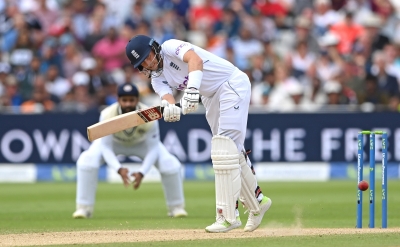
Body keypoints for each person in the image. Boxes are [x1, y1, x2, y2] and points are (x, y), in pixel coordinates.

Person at [125, 35, 272, 233]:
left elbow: (196, 60)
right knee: (230, 150)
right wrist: (170, 108)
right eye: (143, 63)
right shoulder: (157, 80)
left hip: (231, 83)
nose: (149, 63)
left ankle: (227, 216)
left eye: (148, 56)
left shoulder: (170, 47)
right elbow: (167, 98)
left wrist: (191, 90)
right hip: (210, 96)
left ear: (155, 48)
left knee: (224, 148)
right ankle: (258, 201)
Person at [72, 83, 187, 219]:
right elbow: (106, 147)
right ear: (118, 100)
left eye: (131, 100)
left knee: (171, 165)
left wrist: (142, 172)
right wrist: (119, 169)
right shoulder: (107, 114)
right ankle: (84, 208)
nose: (128, 104)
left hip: (141, 143)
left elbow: (153, 149)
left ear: (137, 100)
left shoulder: (149, 115)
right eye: (124, 100)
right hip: (115, 143)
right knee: (86, 162)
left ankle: (176, 208)